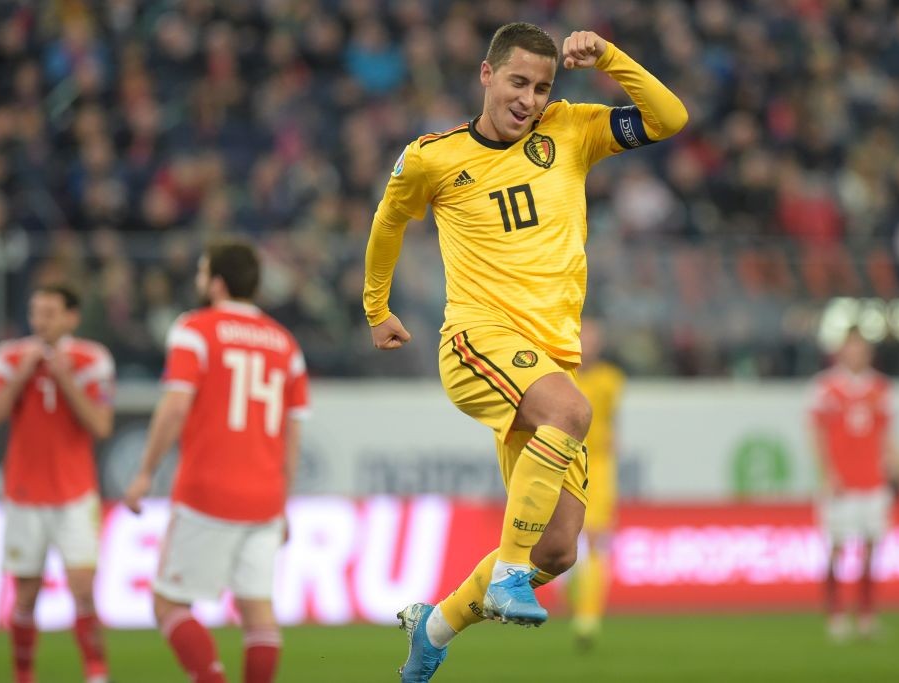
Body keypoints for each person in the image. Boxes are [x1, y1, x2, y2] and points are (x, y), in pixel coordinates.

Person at [363, 22, 687, 680]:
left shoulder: (571, 129)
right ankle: (508, 571)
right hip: (476, 340)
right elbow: (389, 220)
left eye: (541, 87)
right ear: (486, 74)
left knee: (560, 550)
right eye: (517, 82)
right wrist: (377, 307)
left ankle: (435, 626)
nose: (529, 99)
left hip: (546, 363)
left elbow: (669, 118)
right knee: (572, 412)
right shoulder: (432, 157)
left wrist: (611, 58)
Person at [123, 239, 310, 683]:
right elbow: (292, 432)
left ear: (217, 283)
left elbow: (174, 406)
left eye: (202, 272)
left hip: (208, 491)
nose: (199, 280)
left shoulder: (195, 328)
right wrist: (282, 501)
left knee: (168, 603)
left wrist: (145, 472)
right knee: (258, 615)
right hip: (265, 497)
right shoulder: (285, 344)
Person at [0, 284, 114, 683]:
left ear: (72, 317)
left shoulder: (91, 359)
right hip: (24, 493)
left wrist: (66, 379)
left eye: (50, 313)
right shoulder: (9, 357)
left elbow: (101, 425)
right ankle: (24, 674)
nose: (41, 322)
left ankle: (96, 673)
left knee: (82, 587)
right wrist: (21, 375)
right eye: (36, 312)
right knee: (26, 592)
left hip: (75, 493)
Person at [809, 326, 899, 641]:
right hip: (842, 483)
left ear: (868, 353)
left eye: (861, 348)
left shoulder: (880, 388)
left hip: (873, 480)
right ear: (841, 351)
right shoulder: (825, 387)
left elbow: (887, 436)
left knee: (871, 548)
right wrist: (827, 473)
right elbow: (816, 433)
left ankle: (867, 615)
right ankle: (836, 614)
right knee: (837, 546)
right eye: (851, 347)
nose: (856, 353)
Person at [568, 318, 625, 649]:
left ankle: (588, 618)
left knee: (595, 538)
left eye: (593, 339)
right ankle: (574, 598)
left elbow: (612, 420)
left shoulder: (611, 379)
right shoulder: (562, 376)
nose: (588, 344)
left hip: (600, 467)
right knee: (563, 543)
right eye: (583, 338)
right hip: (565, 463)